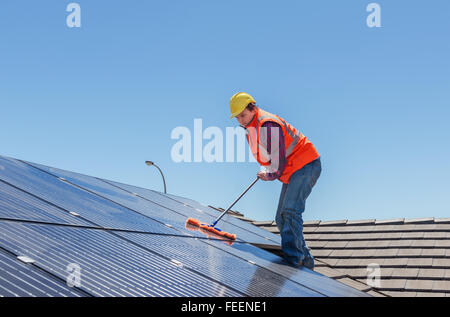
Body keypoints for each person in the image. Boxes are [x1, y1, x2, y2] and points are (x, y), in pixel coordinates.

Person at [230, 92, 322, 269]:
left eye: (243, 115)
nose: (240, 120)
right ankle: (305, 260)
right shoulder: (252, 127)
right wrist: (268, 168)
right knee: (281, 218)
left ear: (253, 108)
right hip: (294, 169)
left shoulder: (267, 124)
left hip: (306, 164)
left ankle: (294, 261)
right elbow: (271, 157)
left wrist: (270, 174)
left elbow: (278, 162)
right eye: (237, 117)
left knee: (290, 211)